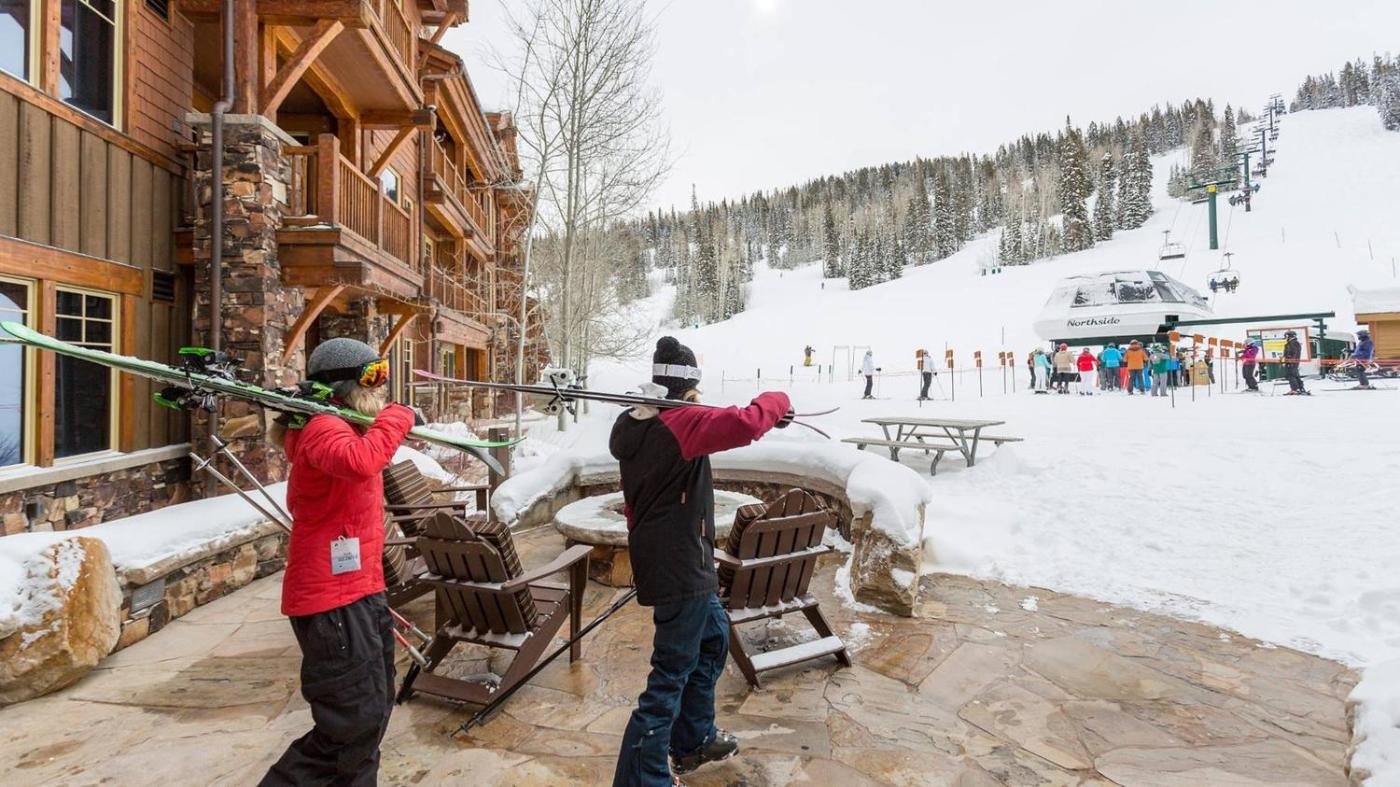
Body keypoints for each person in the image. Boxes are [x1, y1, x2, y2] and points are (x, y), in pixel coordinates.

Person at [610, 337, 793, 786]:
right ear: (689, 387)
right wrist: (779, 399)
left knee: (712, 640)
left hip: (677, 555)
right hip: (679, 563)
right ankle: (643, 779)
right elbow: (746, 422)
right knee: (670, 673)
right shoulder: (682, 424)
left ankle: (693, 739)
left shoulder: (638, 421)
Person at [261, 338, 417, 786]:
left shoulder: (343, 425)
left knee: (372, 712)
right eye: (372, 375)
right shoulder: (321, 426)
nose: (381, 385)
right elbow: (360, 461)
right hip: (332, 601)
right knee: (350, 725)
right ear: (343, 384)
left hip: (358, 591)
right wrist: (398, 417)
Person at [1282, 330, 1309, 395]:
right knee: (1295, 375)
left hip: (1291, 362)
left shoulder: (1292, 343)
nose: (1286, 338)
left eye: (1286, 336)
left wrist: (1290, 360)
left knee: (1291, 375)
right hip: (1293, 362)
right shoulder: (1294, 343)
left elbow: (1293, 353)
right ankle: (1300, 388)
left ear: (1289, 336)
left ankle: (1295, 389)